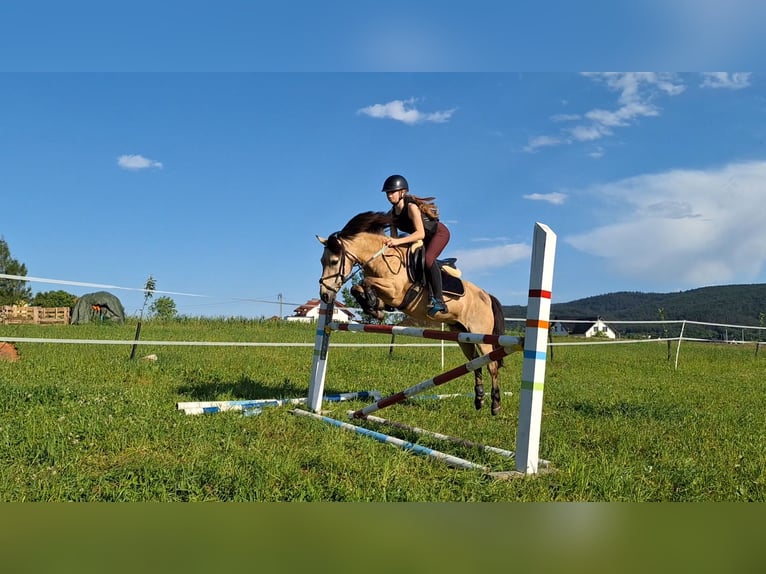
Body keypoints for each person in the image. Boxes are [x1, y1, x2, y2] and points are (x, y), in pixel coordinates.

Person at [381, 174, 450, 317]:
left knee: (429, 258)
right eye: (387, 193)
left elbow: (420, 234)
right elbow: (394, 240)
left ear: (402, 192)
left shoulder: (411, 207)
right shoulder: (391, 214)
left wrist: (397, 241)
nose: (389, 196)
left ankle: (439, 300)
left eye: (392, 192)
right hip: (423, 238)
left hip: (438, 234)